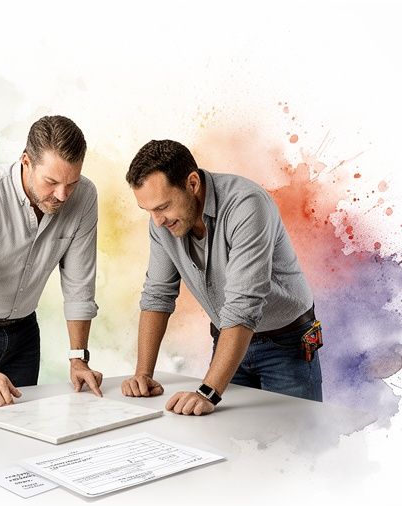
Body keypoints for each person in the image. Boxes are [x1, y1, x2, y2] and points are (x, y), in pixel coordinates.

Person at [121, 139, 323, 415]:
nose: (157, 221)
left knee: (298, 445)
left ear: (192, 183)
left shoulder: (247, 205)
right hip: (228, 342)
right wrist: (143, 374)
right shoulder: (163, 223)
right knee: (233, 447)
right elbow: (158, 294)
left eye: (163, 207)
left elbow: (244, 304)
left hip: (285, 345)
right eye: (149, 211)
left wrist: (208, 392)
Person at [0, 115, 102, 408]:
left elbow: (79, 288)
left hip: (24, 335)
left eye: (71, 183)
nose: (62, 195)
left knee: (18, 437)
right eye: (51, 182)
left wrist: (78, 359)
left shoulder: (85, 197)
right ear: (26, 161)